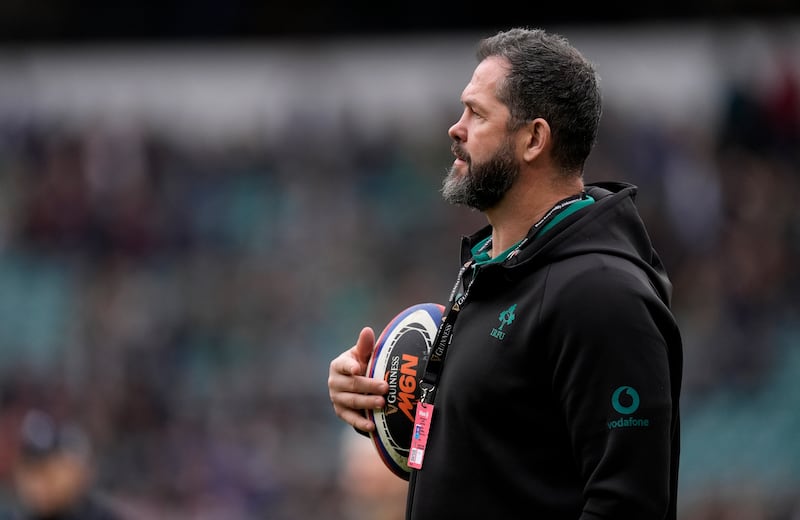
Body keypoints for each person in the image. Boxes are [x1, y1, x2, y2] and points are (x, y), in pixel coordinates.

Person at [327, 26, 683, 520]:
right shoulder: (491, 272)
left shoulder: (602, 293)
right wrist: (372, 392)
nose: (456, 128)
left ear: (534, 139)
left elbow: (627, 506)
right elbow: (492, 460)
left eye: (476, 113)